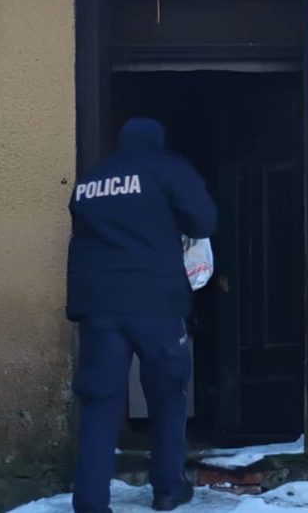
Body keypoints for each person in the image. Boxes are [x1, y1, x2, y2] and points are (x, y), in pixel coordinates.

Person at [66, 117, 217, 513]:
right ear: (157, 140)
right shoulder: (168, 167)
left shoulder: (92, 179)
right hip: (155, 303)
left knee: (99, 400)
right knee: (168, 393)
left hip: (98, 306)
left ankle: (90, 503)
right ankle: (168, 488)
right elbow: (203, 221)